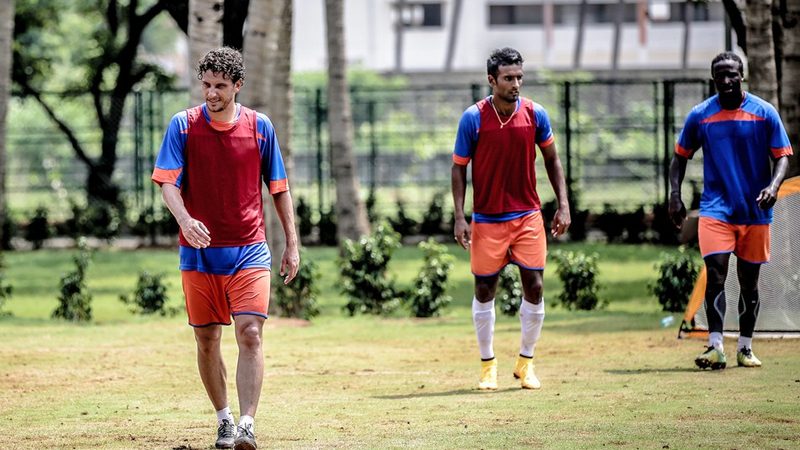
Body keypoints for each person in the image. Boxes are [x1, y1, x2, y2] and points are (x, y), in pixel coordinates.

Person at [152, 47, 299, 450]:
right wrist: (185, 220)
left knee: (250, 333)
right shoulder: (183, 126)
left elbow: (279, 188)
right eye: (206, 85)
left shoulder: (260, 127)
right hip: (198, 254)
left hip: (249, 250)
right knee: (207, 340)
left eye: (220, 85)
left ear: (238, 86)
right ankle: (224, 420)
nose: (211, 93)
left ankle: (248, 425)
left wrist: (292, 243)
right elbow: (167, 184)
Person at [451, 47, 571, 390]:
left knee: (535, 286)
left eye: (519, 77)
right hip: (487, 219)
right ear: (492, 80)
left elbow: (552, 160)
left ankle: (526, 363)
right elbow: (458, 169)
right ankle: (487, 366)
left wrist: (563, 204)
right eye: (508, 78)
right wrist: (460, 217)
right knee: (484, 290)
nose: (515, 83)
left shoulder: (535, 114)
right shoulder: (473, 118)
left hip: (528, 216)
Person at [669, 51, 792, 370]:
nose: (725, 80)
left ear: (742, 76)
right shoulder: (700, 115)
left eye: (731, 74)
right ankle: (715, 346)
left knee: (749, 284)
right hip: (716, 210)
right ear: (713, 78)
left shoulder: (764, 113)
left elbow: (782, 156)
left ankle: (745, 347)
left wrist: (773, 186)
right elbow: (679, 157)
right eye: (719, 75)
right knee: (716, 275)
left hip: (755, 211)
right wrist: (675, 195)